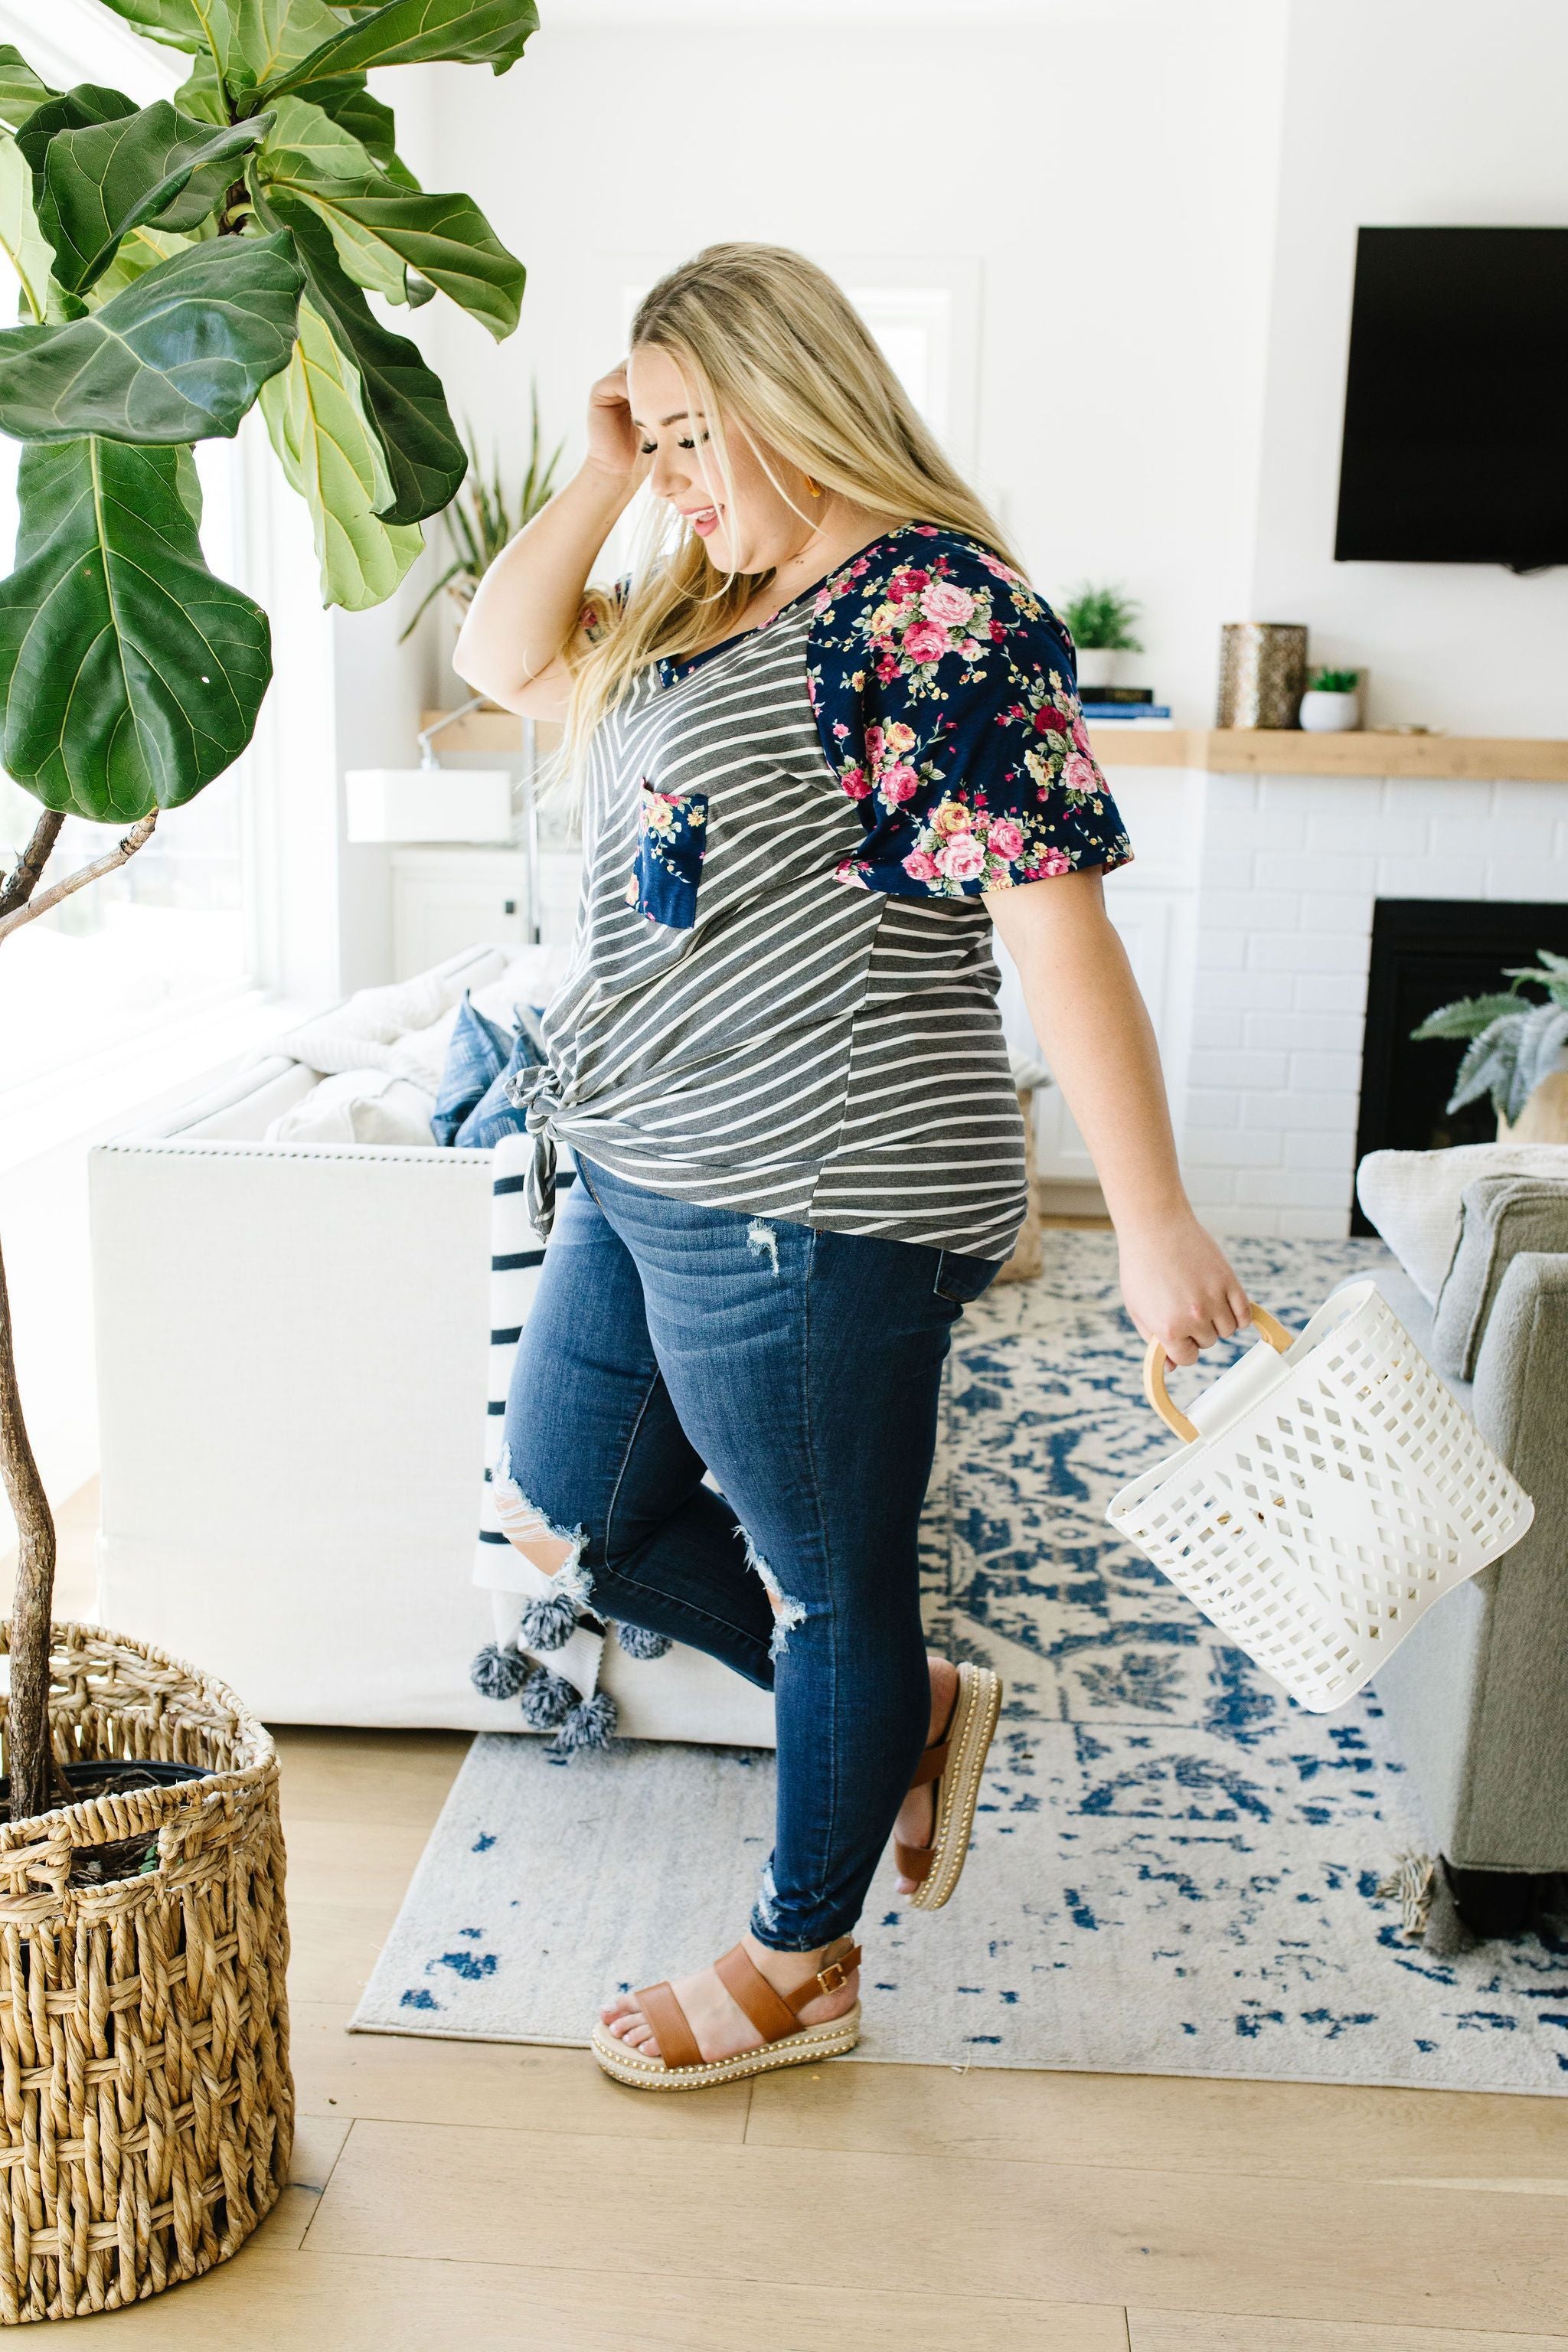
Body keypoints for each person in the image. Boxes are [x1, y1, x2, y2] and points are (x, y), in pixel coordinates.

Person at [454, 242, 1250, 2092]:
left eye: (688, 436)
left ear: (788, 389)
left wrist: (1149, 1220)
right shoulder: (691, 598)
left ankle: (802, 1964)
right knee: (569, 1517)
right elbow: (506, 659)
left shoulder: (932, 606)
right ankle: (898, 1717)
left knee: (829, 1596)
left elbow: (1058, 929)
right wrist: (600, 470)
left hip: (816, 1184)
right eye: (648, 444)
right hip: (644, 1149)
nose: (672, 479)